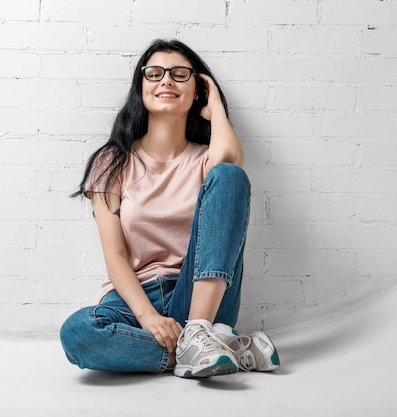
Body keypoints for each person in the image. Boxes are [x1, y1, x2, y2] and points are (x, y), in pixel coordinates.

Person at [60, 39, 280, 378]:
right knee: (77, 333)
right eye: (155, 74)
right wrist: (148, 317)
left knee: (230, 176)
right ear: (141, 88)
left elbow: (232, 163)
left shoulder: (206, 159)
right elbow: (115, 257)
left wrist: (217, 109)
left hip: (199, 295)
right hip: (135, 300)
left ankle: (198, 332)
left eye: (180, 75)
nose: (166, 81)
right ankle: (217, 348)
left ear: (197, 92)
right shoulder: (112, 162)